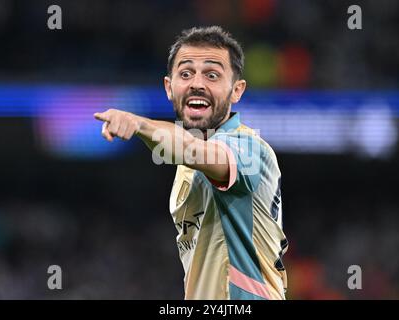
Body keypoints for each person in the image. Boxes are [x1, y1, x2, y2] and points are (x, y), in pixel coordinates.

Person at [94, 26, 288, 300]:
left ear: (237, 90)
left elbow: (191, 148)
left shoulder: (248, 149)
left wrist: (138, 123)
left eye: (212, 75)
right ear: (169, 87)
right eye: (186, 74)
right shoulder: (187, 165)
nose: (197, 83)